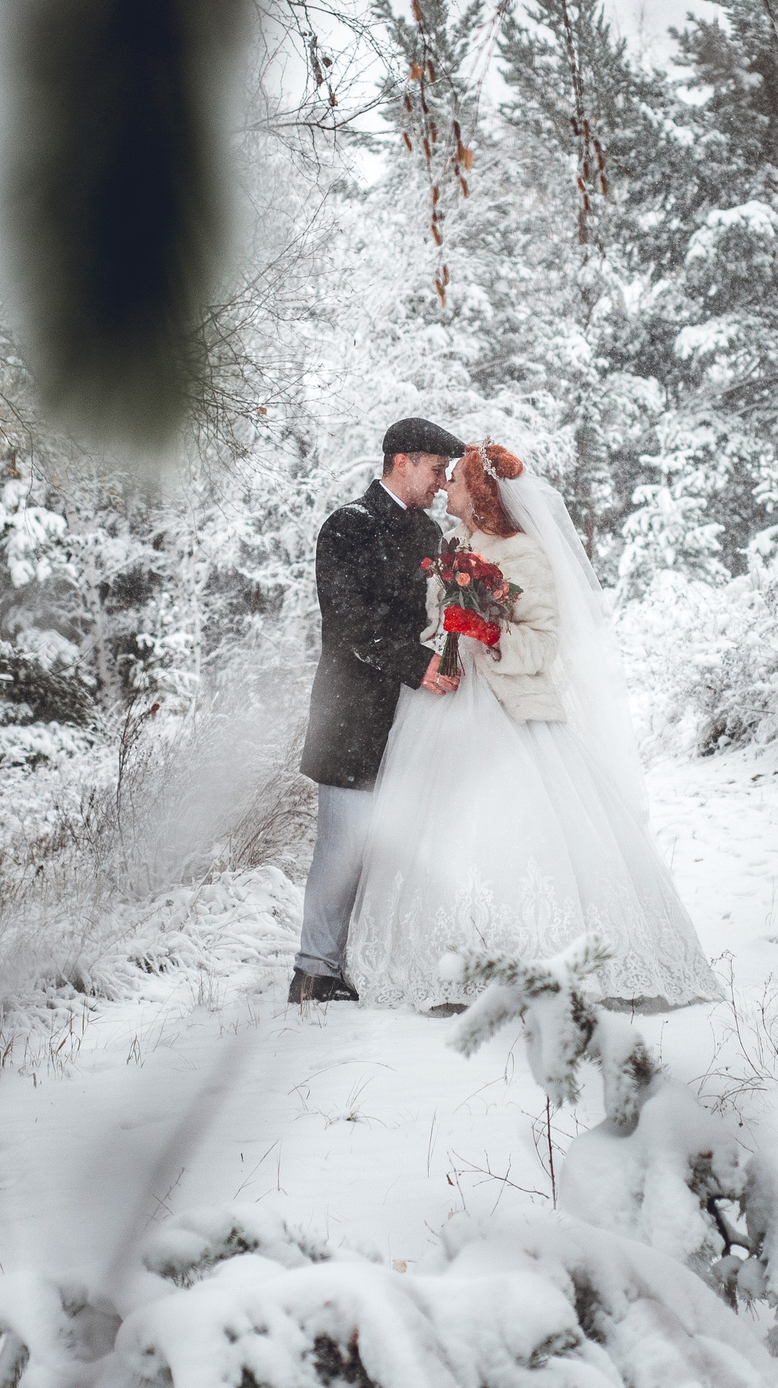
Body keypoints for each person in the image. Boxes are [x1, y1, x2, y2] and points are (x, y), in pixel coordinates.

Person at [346, 443, 720, 1012]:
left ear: (482, 493)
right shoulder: (451, 548)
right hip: (444, 704)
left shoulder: (525, 554)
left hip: (510, 711)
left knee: (515, 831)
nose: (446, 487)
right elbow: (434, 624)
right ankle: (448, 965)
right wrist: (438, 647)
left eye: (458, 481)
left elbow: (542, 645)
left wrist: (487, 630)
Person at [289, 416, 469, 1004]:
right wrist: (418, 666)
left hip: (415, 718)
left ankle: (369, 962)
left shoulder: (428, 535)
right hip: (353, 715)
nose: (443, 483)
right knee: (343, 847)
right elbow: (349, 625)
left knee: (396, 850)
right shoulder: (348, 526)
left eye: (448, 475)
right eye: (437, 470)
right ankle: (314, 973)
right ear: (403, 461)